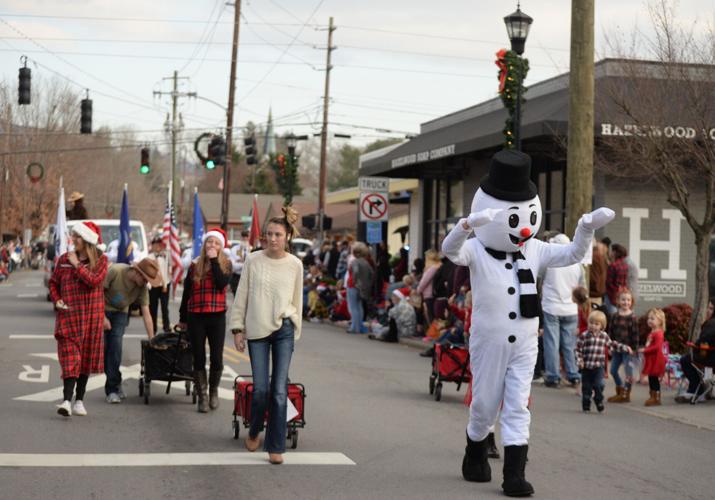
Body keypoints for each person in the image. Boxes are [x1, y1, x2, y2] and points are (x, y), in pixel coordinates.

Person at [441, 149, 614, 496]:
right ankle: (474, 452)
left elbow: (573, 255)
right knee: (485, 404)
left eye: (527, 215)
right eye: (512, 217)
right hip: (488, 340)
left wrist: (584, 228)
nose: (522, 226)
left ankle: (514, 474)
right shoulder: (475, 248)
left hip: (524, 341)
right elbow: (450, 250)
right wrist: (465, 227)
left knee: (518, 405)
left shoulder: (534, 249)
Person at [230, 208, 303, 465]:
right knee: (260, 389)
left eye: (278, 234)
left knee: (279, 390)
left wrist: (295, 326)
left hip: (283, 328)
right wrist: (238, 329)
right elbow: (242, 295)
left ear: (287, 237)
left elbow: (297, 299)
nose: (273, 239)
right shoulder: (253, 260)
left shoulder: (296, 264)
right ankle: (253, 430)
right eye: (269, 234)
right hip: (258, 330)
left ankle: (276, 446)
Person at [49, 221, 108, 417]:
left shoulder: (101, 260)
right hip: (69, 316)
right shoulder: (64, 259)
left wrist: (76, 264)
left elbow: (93, 281)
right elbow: (53, 283)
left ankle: (79, 400)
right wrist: (57, 300)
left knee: (85, 360)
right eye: (73, 236)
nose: (73, 239)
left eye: (77, 236)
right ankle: (66, 400)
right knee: (70, 358)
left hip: (91, 318)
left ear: (87, 240)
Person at [178, 228, 232, 413]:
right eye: (210, 242)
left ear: (221, 247)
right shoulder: (194, 265)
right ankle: (202, 396)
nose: (212, 245)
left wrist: (215, 260)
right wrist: (182, 318)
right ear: (204, 244)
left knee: (216, 358)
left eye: (216, 243)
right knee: (198, 356)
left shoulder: (226, 264)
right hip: (196, 316)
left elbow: (221, 284)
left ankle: (214, 390)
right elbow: (187, 293)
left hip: (217, 316)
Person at [103, 258, 159, 403]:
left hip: (121, 312)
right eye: (145, 279)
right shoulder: (115, 271)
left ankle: (112, 389)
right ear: (137, 272)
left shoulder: (142, 289)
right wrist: (102, 317)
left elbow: (146, 313)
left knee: (115, 345)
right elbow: (97, 292)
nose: (146, 283)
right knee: (105, 349)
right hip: (102, 309)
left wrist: (152, 339)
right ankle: (115, 381)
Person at [541, 233, 586, 388]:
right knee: (569, 344)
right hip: (570, 308)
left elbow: (539, 282)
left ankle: (553, 375)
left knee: (552, 343)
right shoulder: (577, 264)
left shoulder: (548, 263)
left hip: (551, 306)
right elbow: (582, 288)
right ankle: (573, 373)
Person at [575, 310, 633, 413]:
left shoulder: (604, 336)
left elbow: (613, 344)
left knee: (599, 385)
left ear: (602, 326)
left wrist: (625, 348)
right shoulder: (584, 336)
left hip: (598, 367)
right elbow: (578, 349)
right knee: (586, 388)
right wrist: (580, 361)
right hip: (586, 367)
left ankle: (599, 401)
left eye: (596, 324)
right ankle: (586, 405)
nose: (593, 326)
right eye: (591, 323)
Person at [675, 301, 715, 403]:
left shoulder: (711, 324)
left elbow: (703, 341)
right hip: (710, 356)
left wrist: (694, 345)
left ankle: (695, 389)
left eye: (711, 308)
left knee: (685, 360)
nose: (708, 310)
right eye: (708, 307)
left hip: (708, 358)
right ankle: (704, 389)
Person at [606, 288, 640, 403]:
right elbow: (610, 332)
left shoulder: (633, 317)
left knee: (628, 372)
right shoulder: (614, 316)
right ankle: (620, 389)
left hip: (628, 350)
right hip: (616, 349)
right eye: (623, 300)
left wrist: (634, 350)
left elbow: (635, 335)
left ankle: (626, 393)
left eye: (628, 300)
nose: (626, 302)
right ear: (618, 301)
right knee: (613, 370)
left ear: (631, 302)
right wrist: (610, 346)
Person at [639, 308, 667, 407]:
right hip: (651, 358)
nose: (649, 320)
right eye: (649, 318)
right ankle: (652, 395)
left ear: (660, 321)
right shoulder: (652, 332)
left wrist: (645, 350)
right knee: (651, 377)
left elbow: (657, 347)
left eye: (652, 319)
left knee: (654, 378)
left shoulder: (659, 333)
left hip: (656, 359)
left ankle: (656, 397)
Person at [346, 242, 373, 334]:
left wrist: (354, 281)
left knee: (353, 307)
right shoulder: (366, 262)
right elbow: (371, 274)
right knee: (359, 306)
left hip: (353, 286)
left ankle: (354, 327)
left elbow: (356, 272)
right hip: (363, 287)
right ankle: (359, 326)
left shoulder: (355, 262)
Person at [147, 235, 171, 334]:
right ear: (152, 246)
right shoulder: (149, 257)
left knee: (165, 307)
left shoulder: (167, 256)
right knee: (153, 307)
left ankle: (167, 327)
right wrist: (149, 284)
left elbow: (169, 270)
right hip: (154, 285)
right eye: (155, 244)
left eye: (159, 244)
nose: (157, 246)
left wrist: (166, 283)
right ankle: (154, 328)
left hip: (165, 284)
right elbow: (147, 272)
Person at [417, 250, 442, 324]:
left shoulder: (432, 268)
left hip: (429, 295)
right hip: (431, 294)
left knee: (430, 316)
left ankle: (433, 333)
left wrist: (418, 290)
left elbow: (424, 281)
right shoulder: (437, 266)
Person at [605, 244, 629, 315]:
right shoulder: (625, 265)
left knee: (612, 316)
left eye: (611, 251)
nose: (610, 253)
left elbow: (608, 283)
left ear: (615, 253)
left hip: (612, 296)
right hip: (622, 294)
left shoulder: (613, 266)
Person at [229, 230, 250, 295]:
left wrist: (240, 262)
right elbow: (233, 266)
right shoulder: (234, 249)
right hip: (236, 278)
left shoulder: (252, 249)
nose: (245, 238)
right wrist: (245, 263)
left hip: (248, 278)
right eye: (243, 236)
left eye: (246, 236)